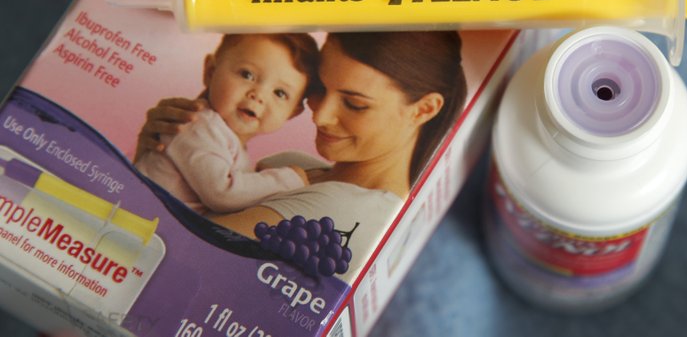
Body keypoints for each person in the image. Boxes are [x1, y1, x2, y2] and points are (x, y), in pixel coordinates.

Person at [137, 31, 467, 278]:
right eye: (320, 88)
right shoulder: (291, 166)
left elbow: (172, 259)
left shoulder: (343, 210)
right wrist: (161, 150)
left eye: (354, 104)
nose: (319, 115)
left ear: (423, 109)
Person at [135, 33, 319, 215]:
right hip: (132, 215)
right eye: (247, 75)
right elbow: (222, 194)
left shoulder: (227, 139)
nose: (258, 95)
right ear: (210, 72)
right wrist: (289, 179)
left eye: (279, 93)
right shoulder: (196, 124)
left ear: (292, 113)